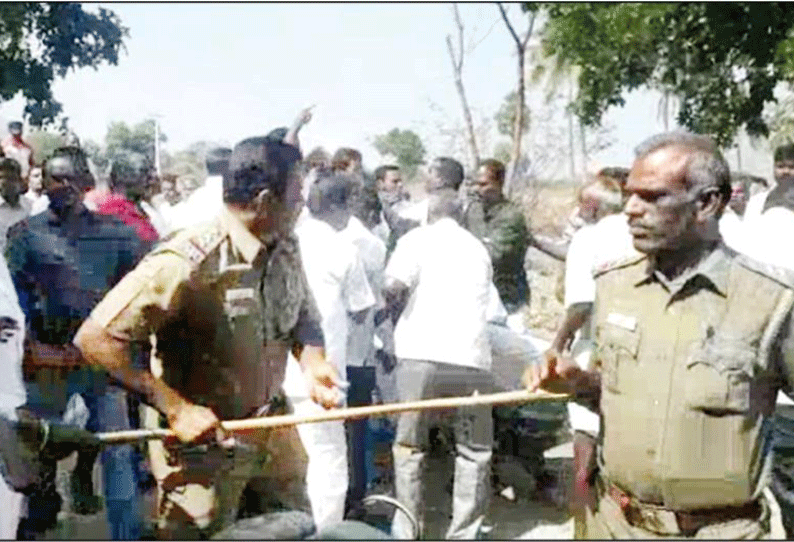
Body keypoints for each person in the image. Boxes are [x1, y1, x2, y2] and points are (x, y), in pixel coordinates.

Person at [525, 131, 794, 539]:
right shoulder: (614, 285)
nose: (630, 209)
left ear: (707, 203)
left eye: (651, 197)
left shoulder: (771, 302)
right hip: (614, 524)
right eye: (630, 194)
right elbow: (622, 393)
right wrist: (577, 382)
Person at [73, 136, 343, 539]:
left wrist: (314, 362)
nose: (302, 206)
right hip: (204, 454)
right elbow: (96, 339)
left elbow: (303, 315)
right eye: (296, 197)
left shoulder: (285, 244)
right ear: (267, 201)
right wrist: (176, 408)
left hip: (274, 435)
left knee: (294, 531)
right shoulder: (187, 260)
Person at [5, 150, 146, 538]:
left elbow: (144, 284)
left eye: (70, 179)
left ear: (87, 182)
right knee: (38, 450)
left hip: (102, 364)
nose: (61, 187)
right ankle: (37, 524)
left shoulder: (116, 234)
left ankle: (126, 534)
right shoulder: (25, 236)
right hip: (46, 363)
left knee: (118, 451)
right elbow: (12, 302)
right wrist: (31, 348)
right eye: (53, 178)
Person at [384, 191, 494, 540]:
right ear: (460, 216)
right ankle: (464, 533)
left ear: (428, 215)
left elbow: (393, 286)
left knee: (410, 446)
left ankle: (408, 529)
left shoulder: (415, 240)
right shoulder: (478, 247)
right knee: (474, 451)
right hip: (471, 356)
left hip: (420, 351)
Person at [284, 169, 375, 531]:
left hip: (275, 373)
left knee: (287, 464)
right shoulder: (342, 249)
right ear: (346, 207)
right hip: (321, 376)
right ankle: (327, 533)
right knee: (328, 463)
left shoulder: (286, 242)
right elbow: (362, 307)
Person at [340, 178, 388, 518]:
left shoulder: (325, 240)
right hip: (359, 353)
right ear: (372, 211)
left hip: (324, 355)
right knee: (358, 430)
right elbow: (377, 305)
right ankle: (356, 499)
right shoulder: (372, 244)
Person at [0, 159, 31, 253]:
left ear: (19, 180)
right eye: (1, 177)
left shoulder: (29, 206)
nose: (5, 182)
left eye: (11, 178)